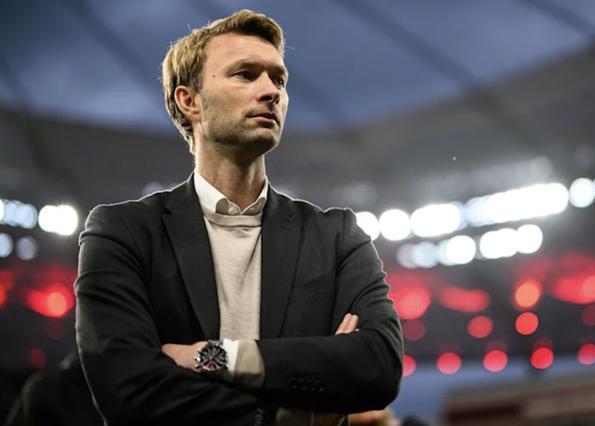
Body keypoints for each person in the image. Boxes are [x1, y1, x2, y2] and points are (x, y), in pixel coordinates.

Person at [74, 9, 403, 425]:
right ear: (189, 101)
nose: (271, 91)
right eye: (245, 75)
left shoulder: (337, 235)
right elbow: (128, 390)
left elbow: (379, 364)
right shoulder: (123, 232)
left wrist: (214, 356)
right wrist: (287, 418)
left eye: (278, 79)